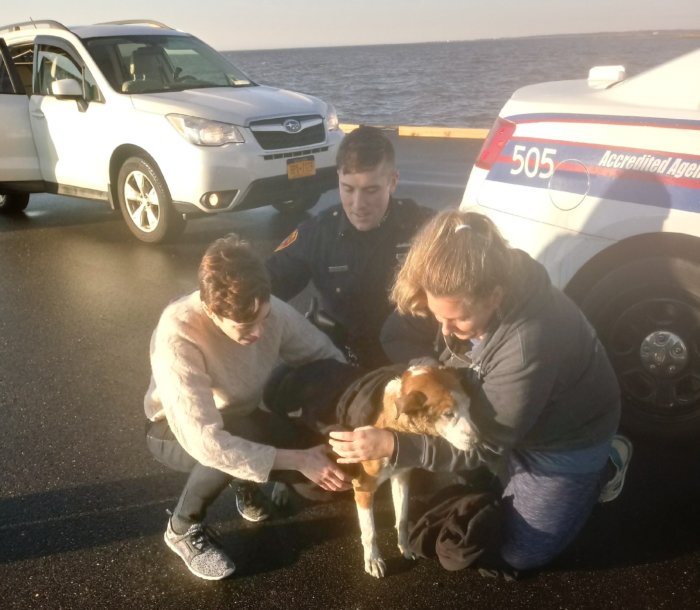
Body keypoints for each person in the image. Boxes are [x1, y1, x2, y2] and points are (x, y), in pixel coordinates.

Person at [329, 209, 632, 575]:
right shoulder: (451, 286)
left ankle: (607, 462)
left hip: (563, 438)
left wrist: (395, 445)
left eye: (458, 320)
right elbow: (395, 333)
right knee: (459, 476)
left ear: (494, 296)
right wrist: (434, 373)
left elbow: (486, 442)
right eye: (437, 316)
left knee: (519, 554)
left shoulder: (528, 341)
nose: (445, 328)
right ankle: (505, 476)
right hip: (497, 413)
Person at [144, 234, 352, 581]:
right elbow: (206, 442)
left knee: (315, 483)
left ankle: (245, 479)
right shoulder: (177, 333)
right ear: (211, 311)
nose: (259, 332)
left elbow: (326, 358)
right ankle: (181, 527)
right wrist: (297, 459)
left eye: (264, 317)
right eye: (245, 328)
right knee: (230, 447)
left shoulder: (269, 312)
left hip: (241, 416)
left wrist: (341, 419)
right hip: (172, 429)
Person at [265, 125, 434, 369]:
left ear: (393, 182)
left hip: (408, 362)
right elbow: (265, 283)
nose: (358, 204)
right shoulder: (318, 232)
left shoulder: (425, 229)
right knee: (276, 391)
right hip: (340, 359)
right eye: (348, 189)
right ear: (338, 180)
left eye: (371, 190)